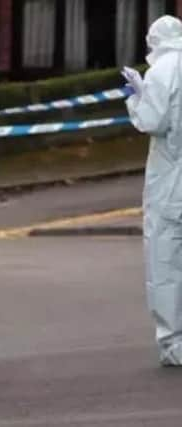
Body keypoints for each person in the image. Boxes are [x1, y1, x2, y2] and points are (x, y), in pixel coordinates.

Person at [123, 15, 182, 365]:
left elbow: (151, 121)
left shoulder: (163, 70)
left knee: (165, 260)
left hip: (170, 176)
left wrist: (136, 98)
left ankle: (173, 341)